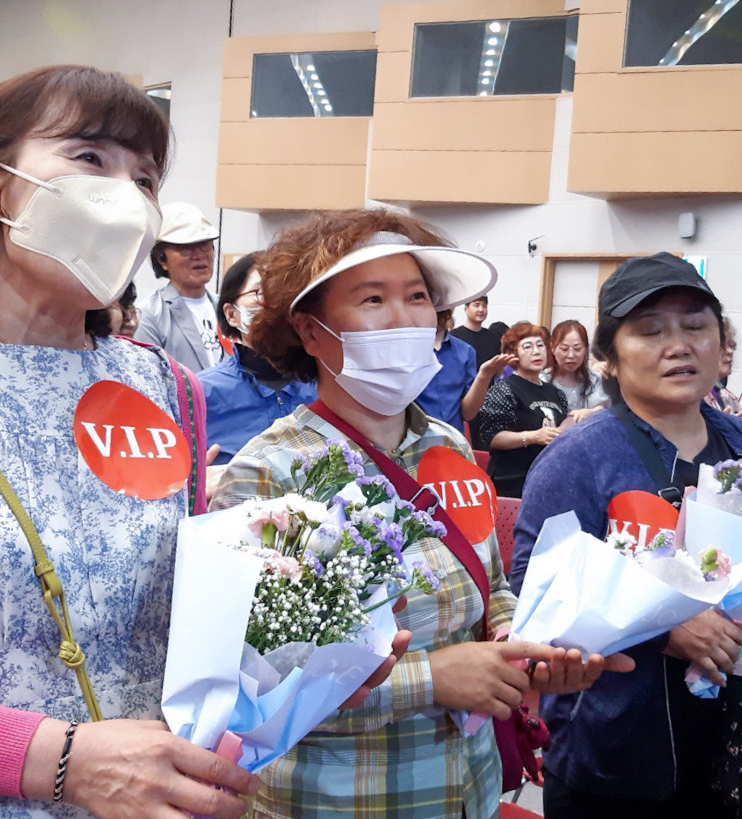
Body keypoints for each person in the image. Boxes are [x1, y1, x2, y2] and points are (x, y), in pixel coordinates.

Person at [210, 209, 632, 819]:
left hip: (469, 788)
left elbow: (490, 584)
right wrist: (429, 678)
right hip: (339, 800)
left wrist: (518, 644)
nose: (405, 317)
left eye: (417, 298)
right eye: (372, 298)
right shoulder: (268, 471)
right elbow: (253, 685)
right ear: (309, 330)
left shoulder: (449, 446)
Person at [0, 64, 264, 819]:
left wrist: (301, 649)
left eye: (145, 179)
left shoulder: (165, 387)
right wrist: (61, 762)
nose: (126, 198)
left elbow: (175, 616)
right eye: (89, 157)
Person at [508, 253, 742, 818]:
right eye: (650, 331)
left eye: (696, 326)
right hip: (616, 750)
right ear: (608, 357)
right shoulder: (578, 459)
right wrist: (662, 625)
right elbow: (534, 590)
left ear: (721, 344)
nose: (679, 346)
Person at [198, 253, 316, 469]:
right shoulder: (202, 392)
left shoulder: (324, 383)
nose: (275, 302)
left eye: (283, 291)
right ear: (231, 314)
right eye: (260, 292)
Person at [478, 322, 568, 498]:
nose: (536, 351)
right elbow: (492, 437)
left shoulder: (556, 393)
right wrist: (532, 437)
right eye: (527, 347)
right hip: (512, 481)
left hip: (548, 480)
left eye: (540, 345)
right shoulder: (504, 389)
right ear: (513, 354)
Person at [135, 202, 223, 372]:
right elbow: (148, 376)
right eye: (186, 248)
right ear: (162, 259)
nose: (199, 255)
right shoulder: (150, 314)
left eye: (204, 245)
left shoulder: (226, 307)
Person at [415, 307, 512, 435]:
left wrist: (484, 376)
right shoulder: (407, 349)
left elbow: (468, 414)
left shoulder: (465, 351)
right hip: (413, 436)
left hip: (453, 437)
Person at [543, 319, 608, 423]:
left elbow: (603, 408)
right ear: (552, 348)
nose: (571, 355)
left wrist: (589, 412)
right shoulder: (542, 380)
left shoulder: (595, 379)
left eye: (577, 349)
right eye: (564, 349)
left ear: (585, 349)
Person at [703, 316, 742, 422]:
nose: (730, 351)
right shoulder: (697, 400)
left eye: (732, 345)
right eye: (721, 346)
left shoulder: (726, 396)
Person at [450, 295, 502, 369]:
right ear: (466, 309)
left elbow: (499, 368)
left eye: (484, 306)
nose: (481, 309)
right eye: (476, 305)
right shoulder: (453, 337)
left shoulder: (493, 338)